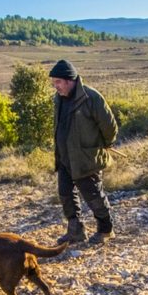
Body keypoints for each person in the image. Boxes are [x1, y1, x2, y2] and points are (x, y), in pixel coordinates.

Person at [49, 59, 118, 245]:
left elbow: (110, 126)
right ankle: (76, 232)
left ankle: (106, 230)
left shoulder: (91, 97)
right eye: (53, 82)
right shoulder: (59, 98)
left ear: (69, 80)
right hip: (64, 158)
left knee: (93, 195)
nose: (55, 87)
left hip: (86, 158)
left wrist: (103, 144)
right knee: (65, 194)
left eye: (58, 82)